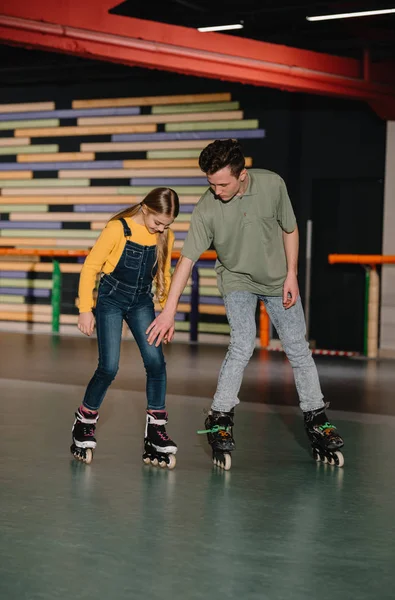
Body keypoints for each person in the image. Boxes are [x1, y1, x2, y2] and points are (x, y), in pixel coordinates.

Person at [146, 139, 344, 469]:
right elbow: (187, 261)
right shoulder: (207, 207)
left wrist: (292, 274)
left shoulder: (272, 185)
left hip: (278, 278)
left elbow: (290, 229)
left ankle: (316, 417)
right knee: (241, 343)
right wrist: (168, 311)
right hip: (237, 279)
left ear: (242, 175)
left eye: (222, 184)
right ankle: (220, 416)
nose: (216, 190)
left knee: (297, 347)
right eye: (210, 183)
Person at [71, 187, 180, 469]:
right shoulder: (117, 229)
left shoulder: (165, 235)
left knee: (156, 363)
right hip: (111, 299)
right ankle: (84, 421)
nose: (161, 229)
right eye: (158, 222)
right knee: (109, 367)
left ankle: (156, 430)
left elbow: (165, 275)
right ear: (145, 208)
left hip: (142, 301)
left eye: (167, 225)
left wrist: (167, 314)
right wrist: (85, 309)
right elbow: (90, 268)